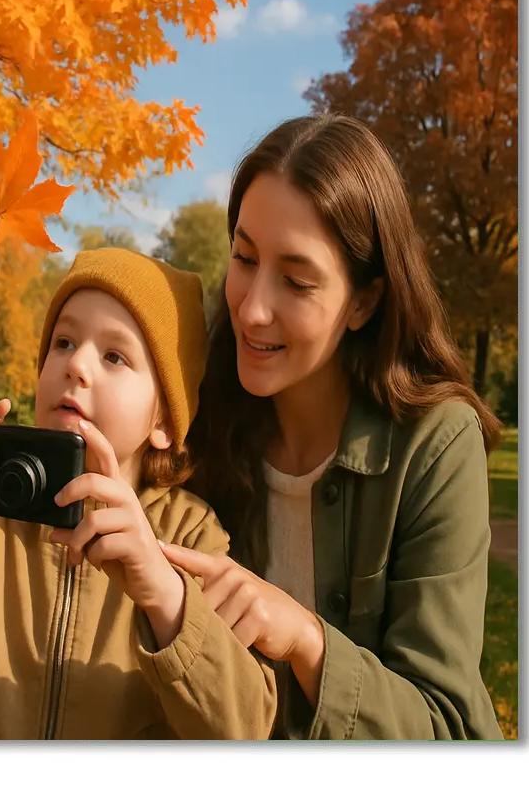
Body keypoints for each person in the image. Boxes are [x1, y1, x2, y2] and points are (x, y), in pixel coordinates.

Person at [159, 113, 505, 740]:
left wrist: (307, 641)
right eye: (243, 257)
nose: (253, 307)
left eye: (296, 280)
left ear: (365, 302)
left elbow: (445, 724)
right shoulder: (197, 419)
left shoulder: (436, 445)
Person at [0, 242, 276, 739]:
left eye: (114, 355)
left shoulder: (191, 538)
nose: (76, 364)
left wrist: (167, 598)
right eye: (63, 342)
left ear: (165, 419)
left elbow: (244, 728)